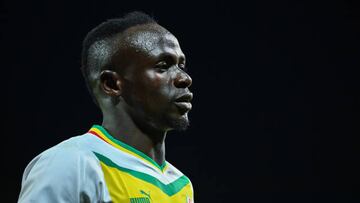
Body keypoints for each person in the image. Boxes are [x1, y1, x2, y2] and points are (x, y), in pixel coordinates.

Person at [18, 11, 194, 203]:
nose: (184, 78)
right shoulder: (71, 164)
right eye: (162, 66)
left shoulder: (181, 184)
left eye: (181, 66)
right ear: (111, 84)